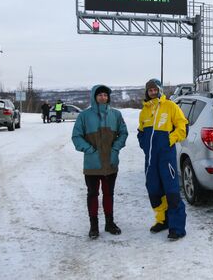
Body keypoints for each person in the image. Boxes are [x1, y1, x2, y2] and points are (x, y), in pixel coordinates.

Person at [72, 85, 128, 239]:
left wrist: (115, 149)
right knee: (92, 194)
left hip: (110, 163)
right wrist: (89, 150)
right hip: (92, 164)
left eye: (105, 95)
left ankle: (109, 223)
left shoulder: (116, 115)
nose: (103, 97)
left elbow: (123, 133)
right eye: (100, 95)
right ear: (94, 97)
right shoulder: (84, 116)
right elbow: (76, 136)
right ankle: (94, 226)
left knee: (109, 194)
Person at [137, 78, 188, 240]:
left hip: (166, 158)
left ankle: (177, 227)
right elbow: (141, 131)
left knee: (171, 192)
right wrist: (143, 143)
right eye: (150, 90)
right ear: (147, 92)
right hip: (150, 159)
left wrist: (169, 140)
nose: (152, 92)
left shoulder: (170, 106)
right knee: (153, 190)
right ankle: (162, 220)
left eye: (155, 89)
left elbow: (183, 127)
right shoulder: (144, 111)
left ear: (160, 90)